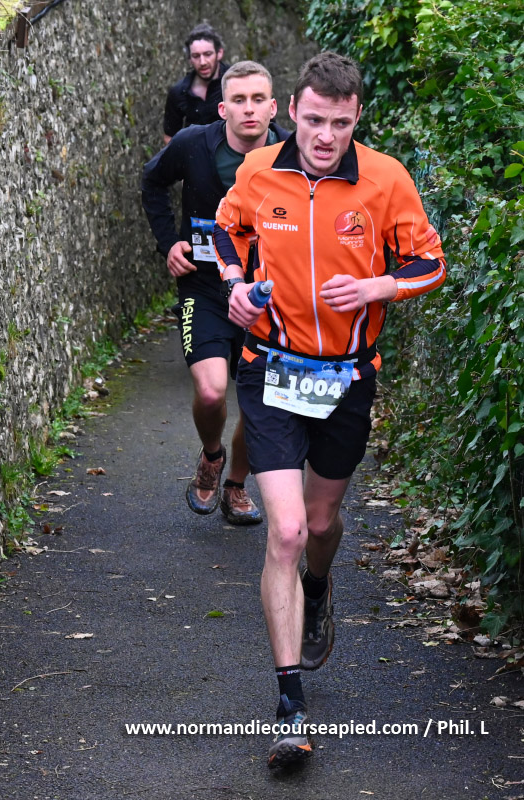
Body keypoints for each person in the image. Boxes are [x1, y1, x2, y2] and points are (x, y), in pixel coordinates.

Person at [214, 51, 446, 767]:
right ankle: (290, 705)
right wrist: (235, 285)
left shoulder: (385, 179)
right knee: (284, 530)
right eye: (314, 120)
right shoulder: (259, 171)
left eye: (340, 124)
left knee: (319, 525)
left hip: (346, 378)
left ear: (356, 119)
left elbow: (430, 262)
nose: (325, 136)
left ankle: (318, 589)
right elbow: (226, 232)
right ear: (292, 112)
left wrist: (379, 287)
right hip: (270, 369)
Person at [142, 61, 289, 525]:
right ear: (222, 108)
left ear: (273, 107)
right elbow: (152, 181)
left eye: (258, 99)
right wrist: (169, 243)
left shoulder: (293, 155)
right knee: (211, 393)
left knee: (258, 402)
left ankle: (236, 485)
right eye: (238, 100)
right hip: (205, 287)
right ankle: (211, 455)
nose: (249, 109)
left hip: (267, 296)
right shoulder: (192, 144)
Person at [163, 23, 229, 145]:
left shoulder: (237, 82)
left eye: (208, 54)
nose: (202, 62)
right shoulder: (178, 92)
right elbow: (170, 136)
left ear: (219, 53)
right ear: (189, 59)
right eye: (196, 56)